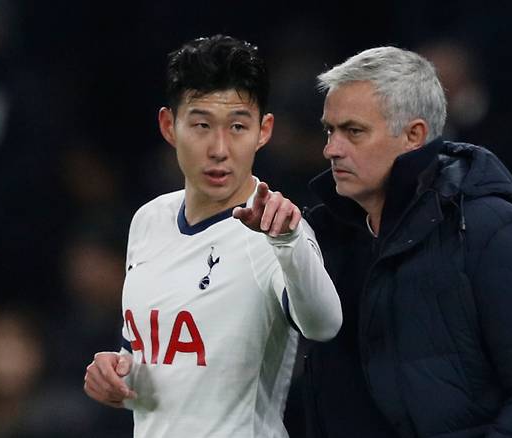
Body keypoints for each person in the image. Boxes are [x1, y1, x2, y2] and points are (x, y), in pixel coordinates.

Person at [301, 46, 512, 437]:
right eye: (329, 130)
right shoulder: (324, 241)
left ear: (414, 135)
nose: (331, 149)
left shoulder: (496, 235)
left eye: (353, 131)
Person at [82, 34, 342, 438]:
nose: (219, 148)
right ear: (169, 126)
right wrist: (115, 372)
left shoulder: (277, 231)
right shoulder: (148, 220)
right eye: (201, 125)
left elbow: (324, 325)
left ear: (263, 130)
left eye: (238, 126)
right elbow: (153, 359)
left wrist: (288, 243)